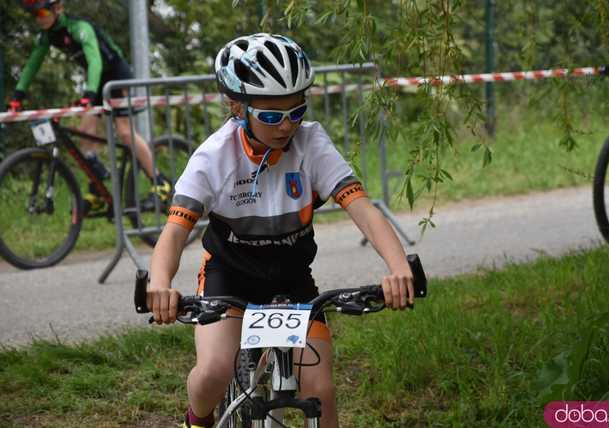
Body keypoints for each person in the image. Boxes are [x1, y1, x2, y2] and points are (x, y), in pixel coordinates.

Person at [145, 33, 415, 428]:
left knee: (320, 392)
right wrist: (160, 283)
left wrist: (398, 267)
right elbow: (172, 234)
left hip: (292, 280)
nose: (286, 126)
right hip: (228, 276)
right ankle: (196, 421)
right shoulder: (213, 157)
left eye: (296, 111)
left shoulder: (312, 144)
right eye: (271, 116)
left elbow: (362, 208)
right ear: (238, 108)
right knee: (214, 372)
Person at [9, 0, 171, 213]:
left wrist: (89, 94)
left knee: (123, 131)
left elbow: (95, 61)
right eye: (34, 14)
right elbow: (32, 65)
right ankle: (97, 189)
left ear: (57, 9)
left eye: (41, 11)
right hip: (98, 82)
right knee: (85, 131)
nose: (38, 18)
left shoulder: (80, 28)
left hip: (116, 76)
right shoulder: (48, 36)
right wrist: (17, 96)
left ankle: (161, 183)